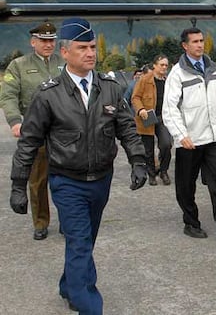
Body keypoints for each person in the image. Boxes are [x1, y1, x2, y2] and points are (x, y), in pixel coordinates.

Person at [9, 17, 148, 314]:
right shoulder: (48, 94)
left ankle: (67, 284)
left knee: (84, 240)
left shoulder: (110, 88)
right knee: (81, 242)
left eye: (93, 47)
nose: (90, 53)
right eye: (82, 47)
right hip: (66, 181)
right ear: (65, 52)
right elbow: (28, 143)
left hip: (101, 180)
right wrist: (18, 186)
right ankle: (87, 303)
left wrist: (138, 161)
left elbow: (126, 128)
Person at [162, 27, 216, 245]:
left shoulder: (214, 70)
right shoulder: (177, 74)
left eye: (201, 40)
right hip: (191, 140)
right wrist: (181, 135)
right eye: (195, 41)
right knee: (186, 185)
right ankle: (191, 223)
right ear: (185, 46)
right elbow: (169, 108)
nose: (200, 44)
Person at [0, 22, 64, 241]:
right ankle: (41, 222)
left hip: (63, 130)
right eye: (44, 41)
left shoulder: (64, 62)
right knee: (37, 180)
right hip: (35, 130)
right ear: (33, 42)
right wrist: (15, 121)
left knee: (66, 177)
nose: (49, 45)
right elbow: (8, 96)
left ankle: (67, 219)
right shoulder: (18, 65)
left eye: (52, 40)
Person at [132, 54, 172, 186]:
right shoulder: (144, 80)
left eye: (166, 65)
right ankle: (151, 173)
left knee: (166, 144)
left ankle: (163, 170)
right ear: (154, 65)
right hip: (147, 117)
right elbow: (135, 97)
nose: (164, 67)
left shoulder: (169, 81)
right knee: (148, 148)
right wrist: (141, 109)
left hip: (163, 118)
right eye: (162, 65)